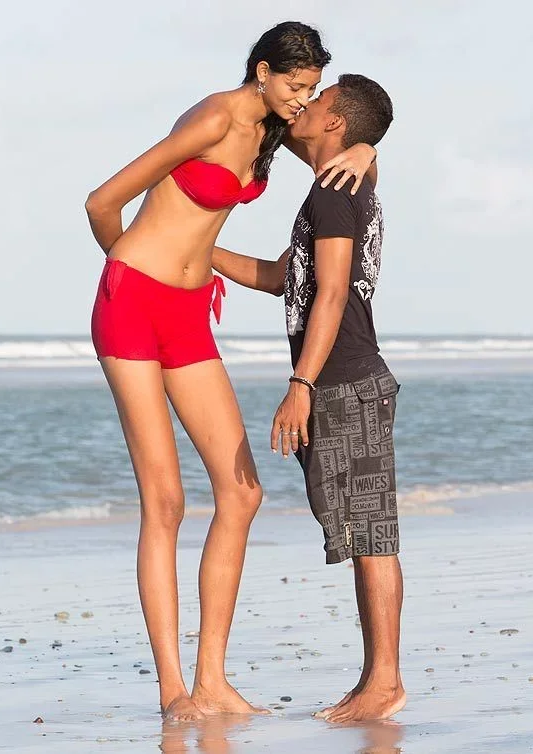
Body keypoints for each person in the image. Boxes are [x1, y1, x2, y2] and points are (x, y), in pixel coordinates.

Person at [85, 21, 378, 722]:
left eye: (312, 92)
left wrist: (366, 146)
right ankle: (173, 693)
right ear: (262, 70)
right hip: (132, 305)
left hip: (190, 314)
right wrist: (130, 270)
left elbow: (337, 147)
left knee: (241, 493)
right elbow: (103, 200)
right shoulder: (216, 114)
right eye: (296, 87)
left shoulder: (274, 136)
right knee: (165, 502)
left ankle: (211, 678)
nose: (303, 102)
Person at [212, 73, 406, 722]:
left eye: (318, 100)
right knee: (359, 531)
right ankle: (374, 678)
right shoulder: (341, 184)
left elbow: (328, 293)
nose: (304, 103)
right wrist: (197, 249)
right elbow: (281, 279)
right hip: (344, 382)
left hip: (343, 381)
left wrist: (300, 387)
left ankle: (384, 683)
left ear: (335, 124)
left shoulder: (333, 194)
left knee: (372, 536)